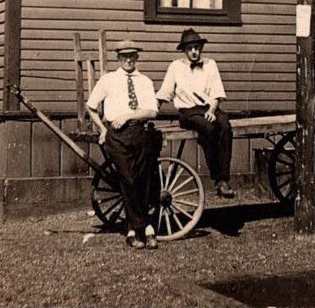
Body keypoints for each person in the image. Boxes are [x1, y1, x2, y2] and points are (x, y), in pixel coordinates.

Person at [86, 39, 163, 249]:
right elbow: (91, 106)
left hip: (140, 132)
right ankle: (145, 228)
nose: (128, 59)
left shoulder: (145, 81)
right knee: (128, 179)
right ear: (118, 58)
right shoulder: (108, 80)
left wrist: (128, 115)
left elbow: (152, 111)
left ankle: (132, 230)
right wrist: (103, 129)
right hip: (117, 135)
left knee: (143, 179)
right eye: (124, 56)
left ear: (137, 57)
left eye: (132, 56)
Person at [157, 28, 235, 198]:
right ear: (184, 50)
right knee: (209, 129)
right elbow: (165, 92)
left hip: (210, 107)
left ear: (201, 48)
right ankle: (217, 177)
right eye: (190, 48)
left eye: (197, 48)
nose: (194, 52)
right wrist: (152, 108)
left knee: (226, 127)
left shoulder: (210, 64)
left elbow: (217, 92)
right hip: (188, 111)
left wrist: (212, 110)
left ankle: (223, 181)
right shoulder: (176, 67)